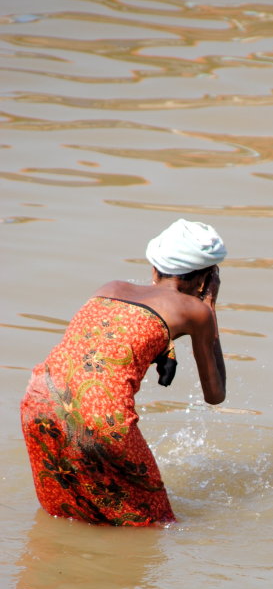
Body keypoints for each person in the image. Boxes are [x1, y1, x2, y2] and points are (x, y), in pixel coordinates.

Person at [20, 219, 227, 526]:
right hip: (103, 417)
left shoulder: (111, 287)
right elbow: (215, 394)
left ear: (155, 267)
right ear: (206, 278)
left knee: (66, 514)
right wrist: (209, 308)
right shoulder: (196, 311)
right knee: (155, 525)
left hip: (39, 402)